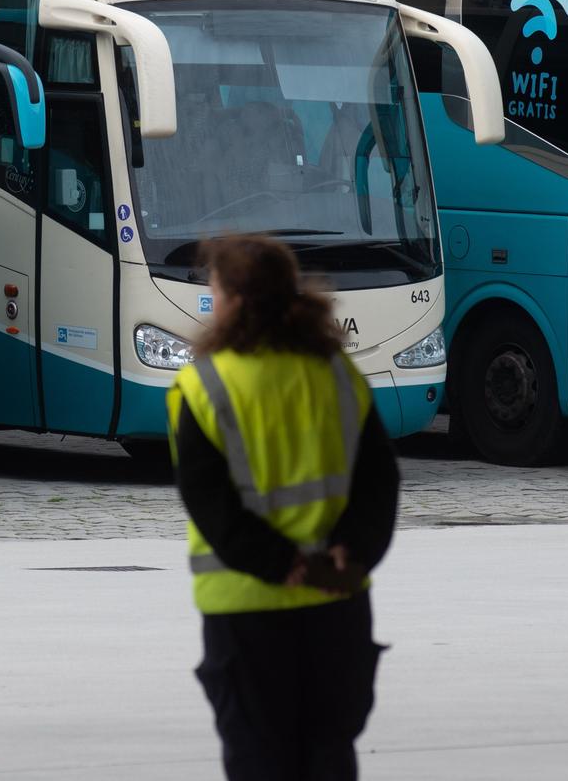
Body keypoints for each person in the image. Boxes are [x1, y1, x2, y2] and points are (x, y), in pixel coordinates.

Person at [169, 234, 401, 781]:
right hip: (335, 599)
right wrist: (353, 551)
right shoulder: (338, 374)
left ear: (235, 301)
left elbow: (210, 503)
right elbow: (379, 483)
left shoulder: (203, 385)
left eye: (215, 288)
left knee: (259, 762)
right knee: (328, 755)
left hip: (246, 609)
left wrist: (278, 562)